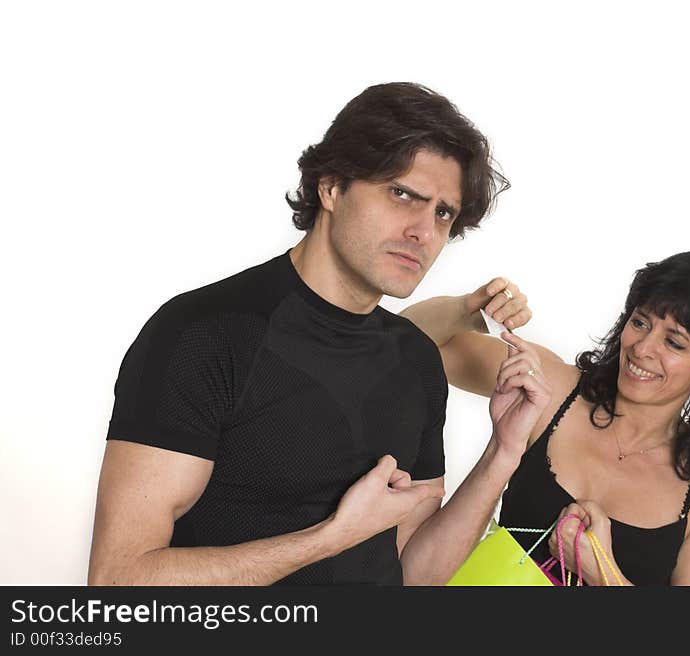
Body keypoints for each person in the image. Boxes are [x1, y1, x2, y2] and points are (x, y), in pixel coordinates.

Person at [87, 82, 553, 586]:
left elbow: (414, 573)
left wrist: (501, 453)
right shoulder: (202, 335)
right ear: (331, 187)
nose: (424, 231)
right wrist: (331, 537)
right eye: (402, 195)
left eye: (443, 213)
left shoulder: (415, 359)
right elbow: (119, 581)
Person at [400, 251, 690, 585]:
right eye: (641, 323)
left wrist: (601, 572)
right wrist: (467, 310)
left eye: (674, 343)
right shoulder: (553, 389)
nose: (642, 349)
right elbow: (406, 342)